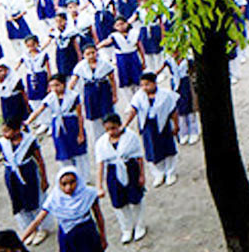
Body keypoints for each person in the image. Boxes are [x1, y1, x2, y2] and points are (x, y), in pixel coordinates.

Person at [0, 117, 49, 244]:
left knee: (34, 200)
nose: (4, 134)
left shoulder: (29, 141)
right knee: (19, 203)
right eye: (3, 131)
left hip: (28, 173)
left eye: (7, 131)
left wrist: (44, 179)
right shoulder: (2, 143)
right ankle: (29, 229)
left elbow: (40, 160)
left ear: (17, 130)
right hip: (12, 176)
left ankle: (41, 228)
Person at [21, 166, 108, 252]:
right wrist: (22, 239)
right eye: (64, 184)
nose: (68, 187)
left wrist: (103, 237)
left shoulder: (88, 194)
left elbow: (98, 216)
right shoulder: (55, 198)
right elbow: (38, 221)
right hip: (67, 236)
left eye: (72, 182)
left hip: (87, 235)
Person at [24, 73, 89, 182]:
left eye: (57, 85)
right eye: (52, 86)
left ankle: (84, 178)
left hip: (72, 125)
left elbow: (79, 115)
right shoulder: (50, 98)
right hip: (58, 128)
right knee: (64, 152)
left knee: (79, 153)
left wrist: (81, 132)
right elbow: (39, 110)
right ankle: (68, 177)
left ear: (63, 84)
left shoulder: (73, 96)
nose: (55, 88)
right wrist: (28, 122)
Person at [94, 113, 147, 243]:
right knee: (119, 203)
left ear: (119, 125)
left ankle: (140, 225)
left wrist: (142, 175)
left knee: (135, 199)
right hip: (113, 172)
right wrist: (99, 185)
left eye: (113, 128)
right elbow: (100, 164)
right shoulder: (102, 143)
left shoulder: (131, 137)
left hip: (130, 168)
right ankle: (127, 228)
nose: (111, 132)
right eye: (107, 129)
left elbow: (139, 157)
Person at [123, 71, 180, 187]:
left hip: (163, 125)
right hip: (148, 126)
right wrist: (125, 124)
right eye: (142, 85)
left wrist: (176, 125)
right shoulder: (139, 96)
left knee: (168, 148)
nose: (144, 87)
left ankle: (170, 172)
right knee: (151, 150)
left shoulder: (165, 95)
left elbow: (173, 111)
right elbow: (134, 110)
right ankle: (158, 173)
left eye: (147, 84)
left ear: (154, 83)